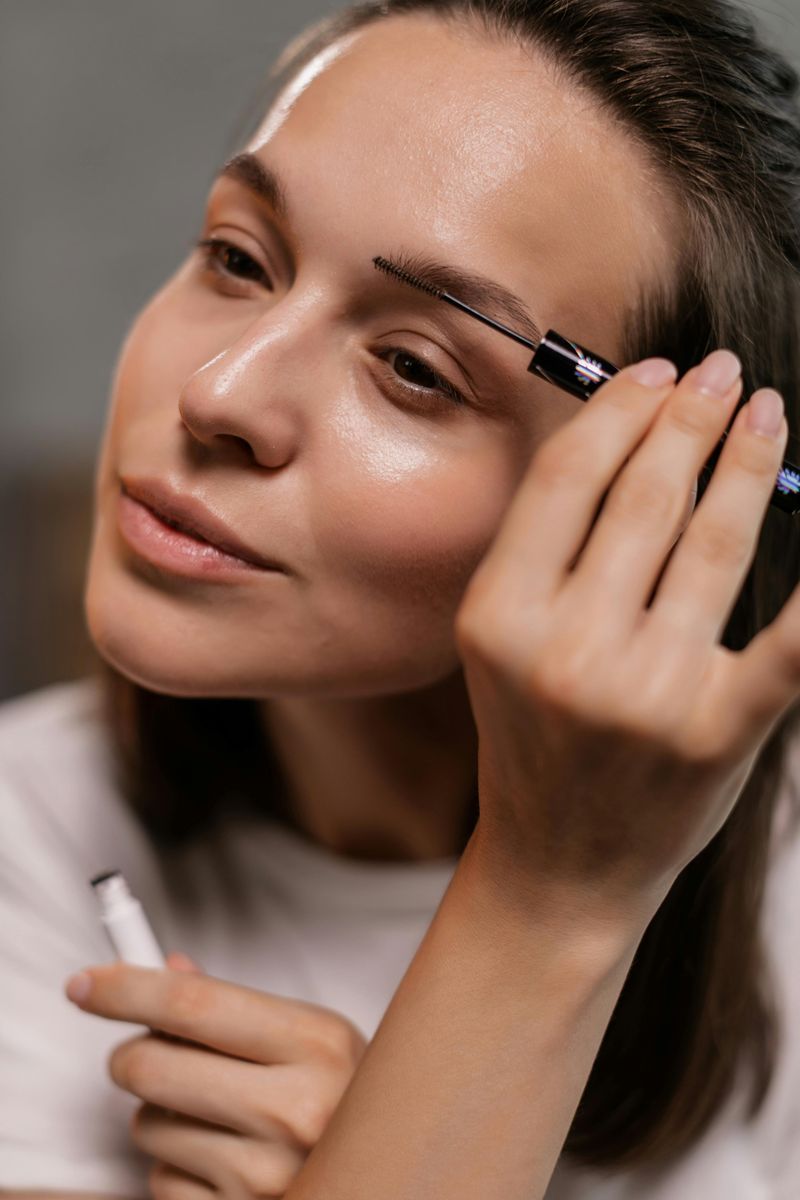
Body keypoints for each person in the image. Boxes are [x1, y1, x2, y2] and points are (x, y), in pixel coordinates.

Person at [2, 0, 799, 1197]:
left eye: (416, 370)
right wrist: (544, 906)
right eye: (236, 258)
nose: (219, 391)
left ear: (671, 508)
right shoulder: (24, 843)